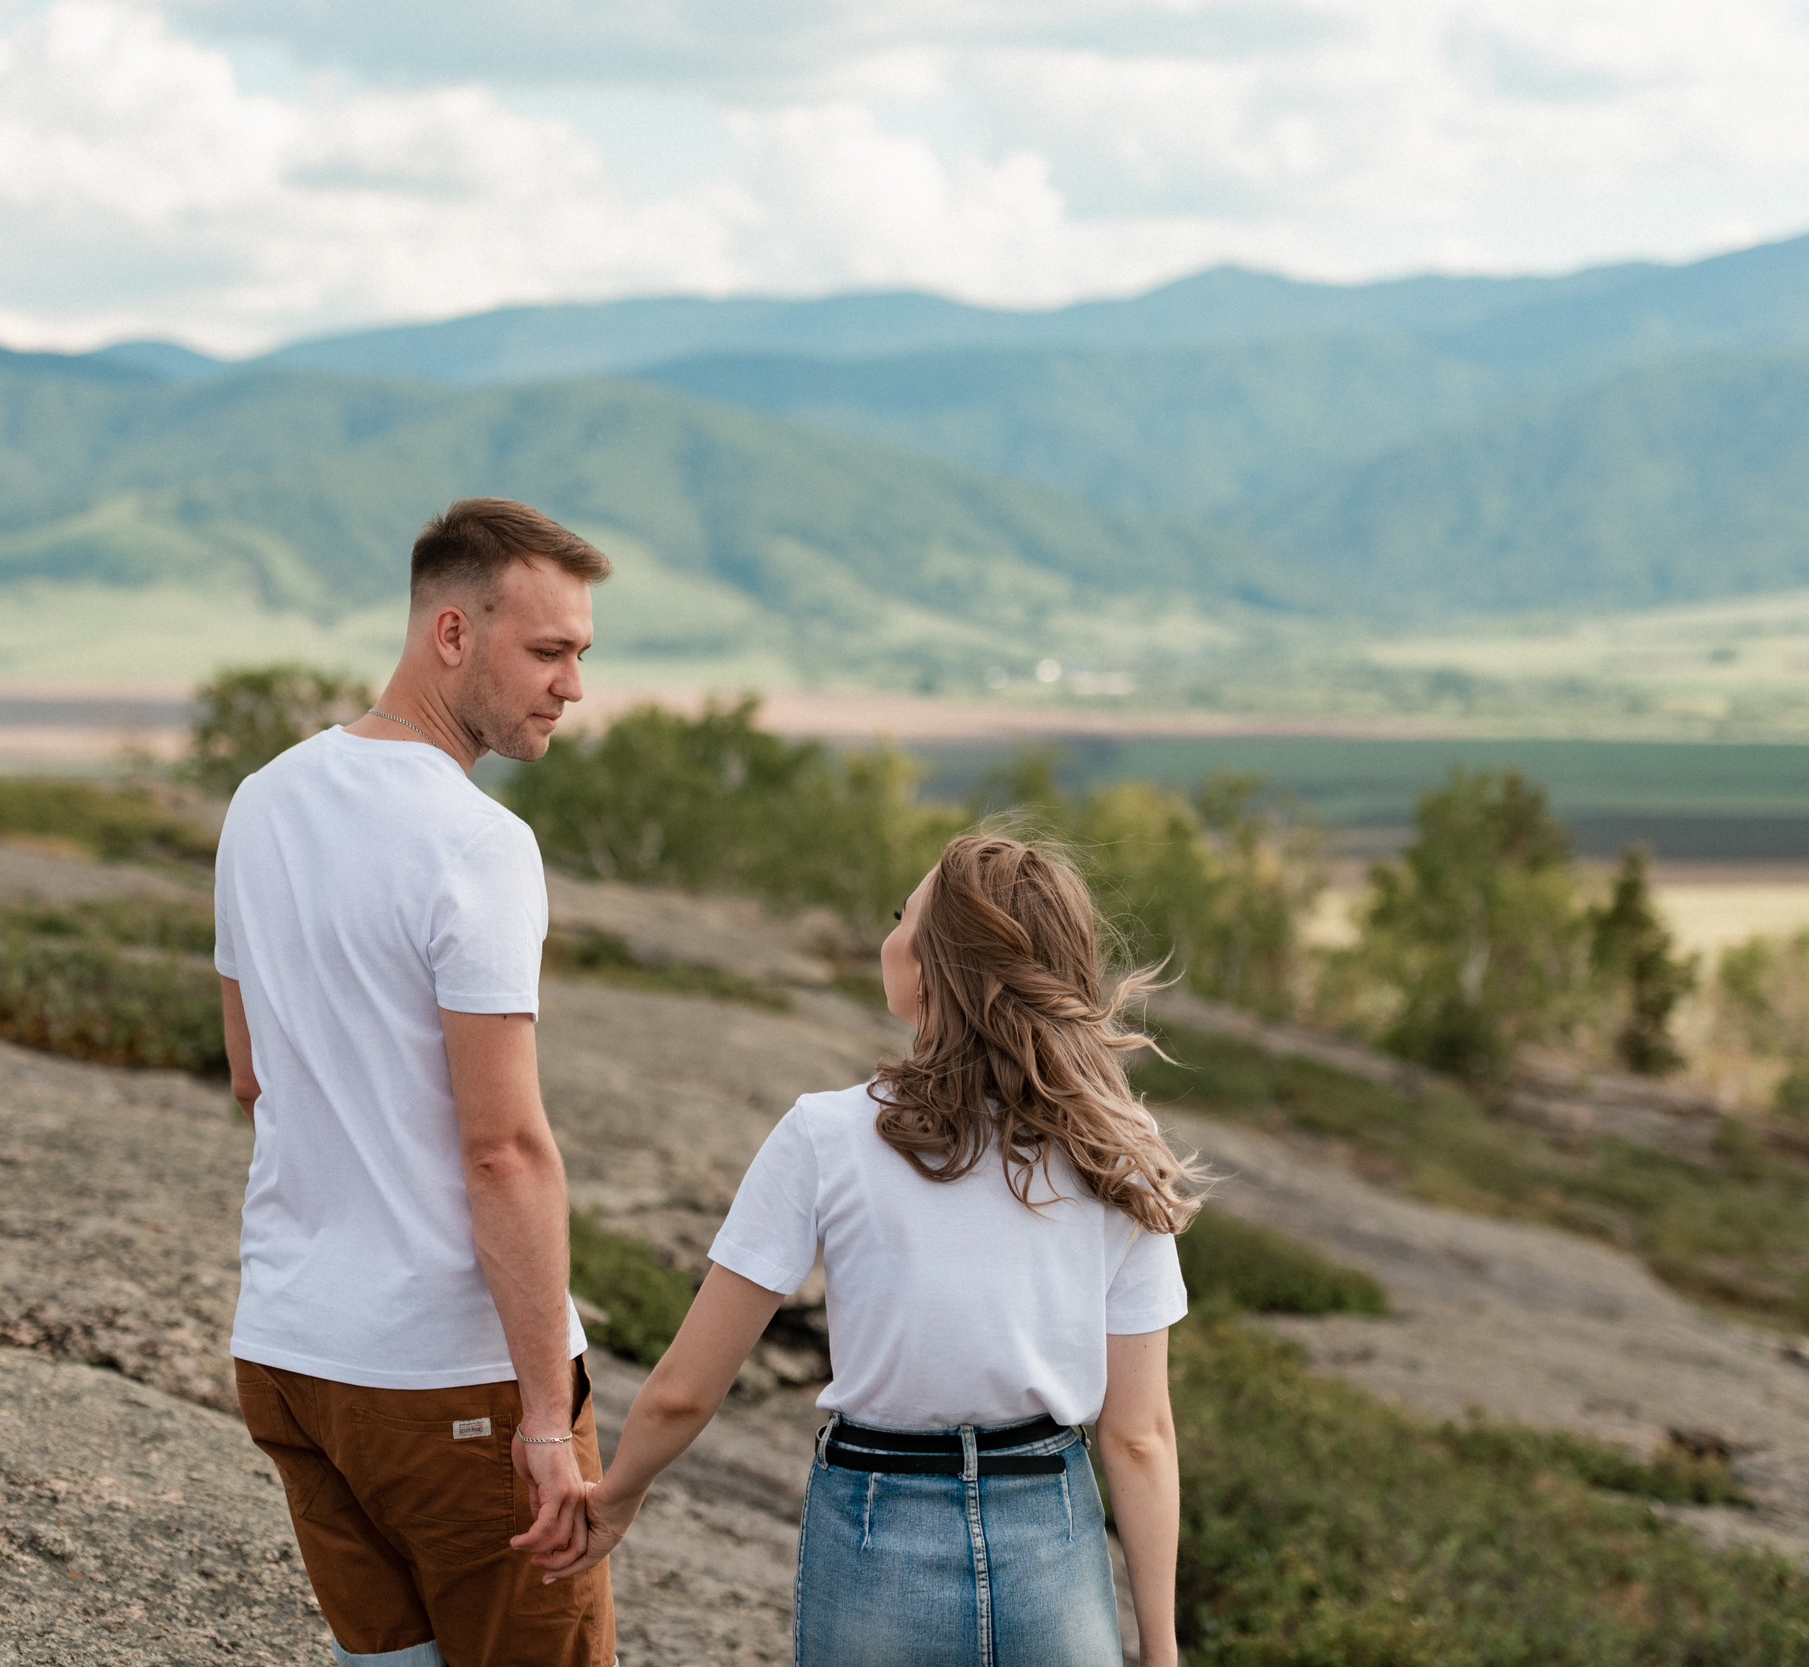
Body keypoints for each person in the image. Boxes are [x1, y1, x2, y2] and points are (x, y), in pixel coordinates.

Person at [536, 834, 1202, 1667]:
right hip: (1051, 1527)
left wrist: (619, 1496)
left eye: (904, 917)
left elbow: (683, 1391)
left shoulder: (826, 1134)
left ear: (930, 969)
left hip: (877, 1516)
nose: (890, 934)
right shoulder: (1116, 1149)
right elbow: (1139, 1434)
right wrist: (1163, 1646)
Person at [214, 497, 616, 1667]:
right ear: (452, 632)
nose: (571, 685)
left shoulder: (262, 798)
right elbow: (503, 1148)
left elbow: (252, 1074)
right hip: (449, 1373)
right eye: (547, 650)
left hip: (291, 1354)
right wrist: (547, 1417)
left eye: (581, 653)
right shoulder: (475, 839)